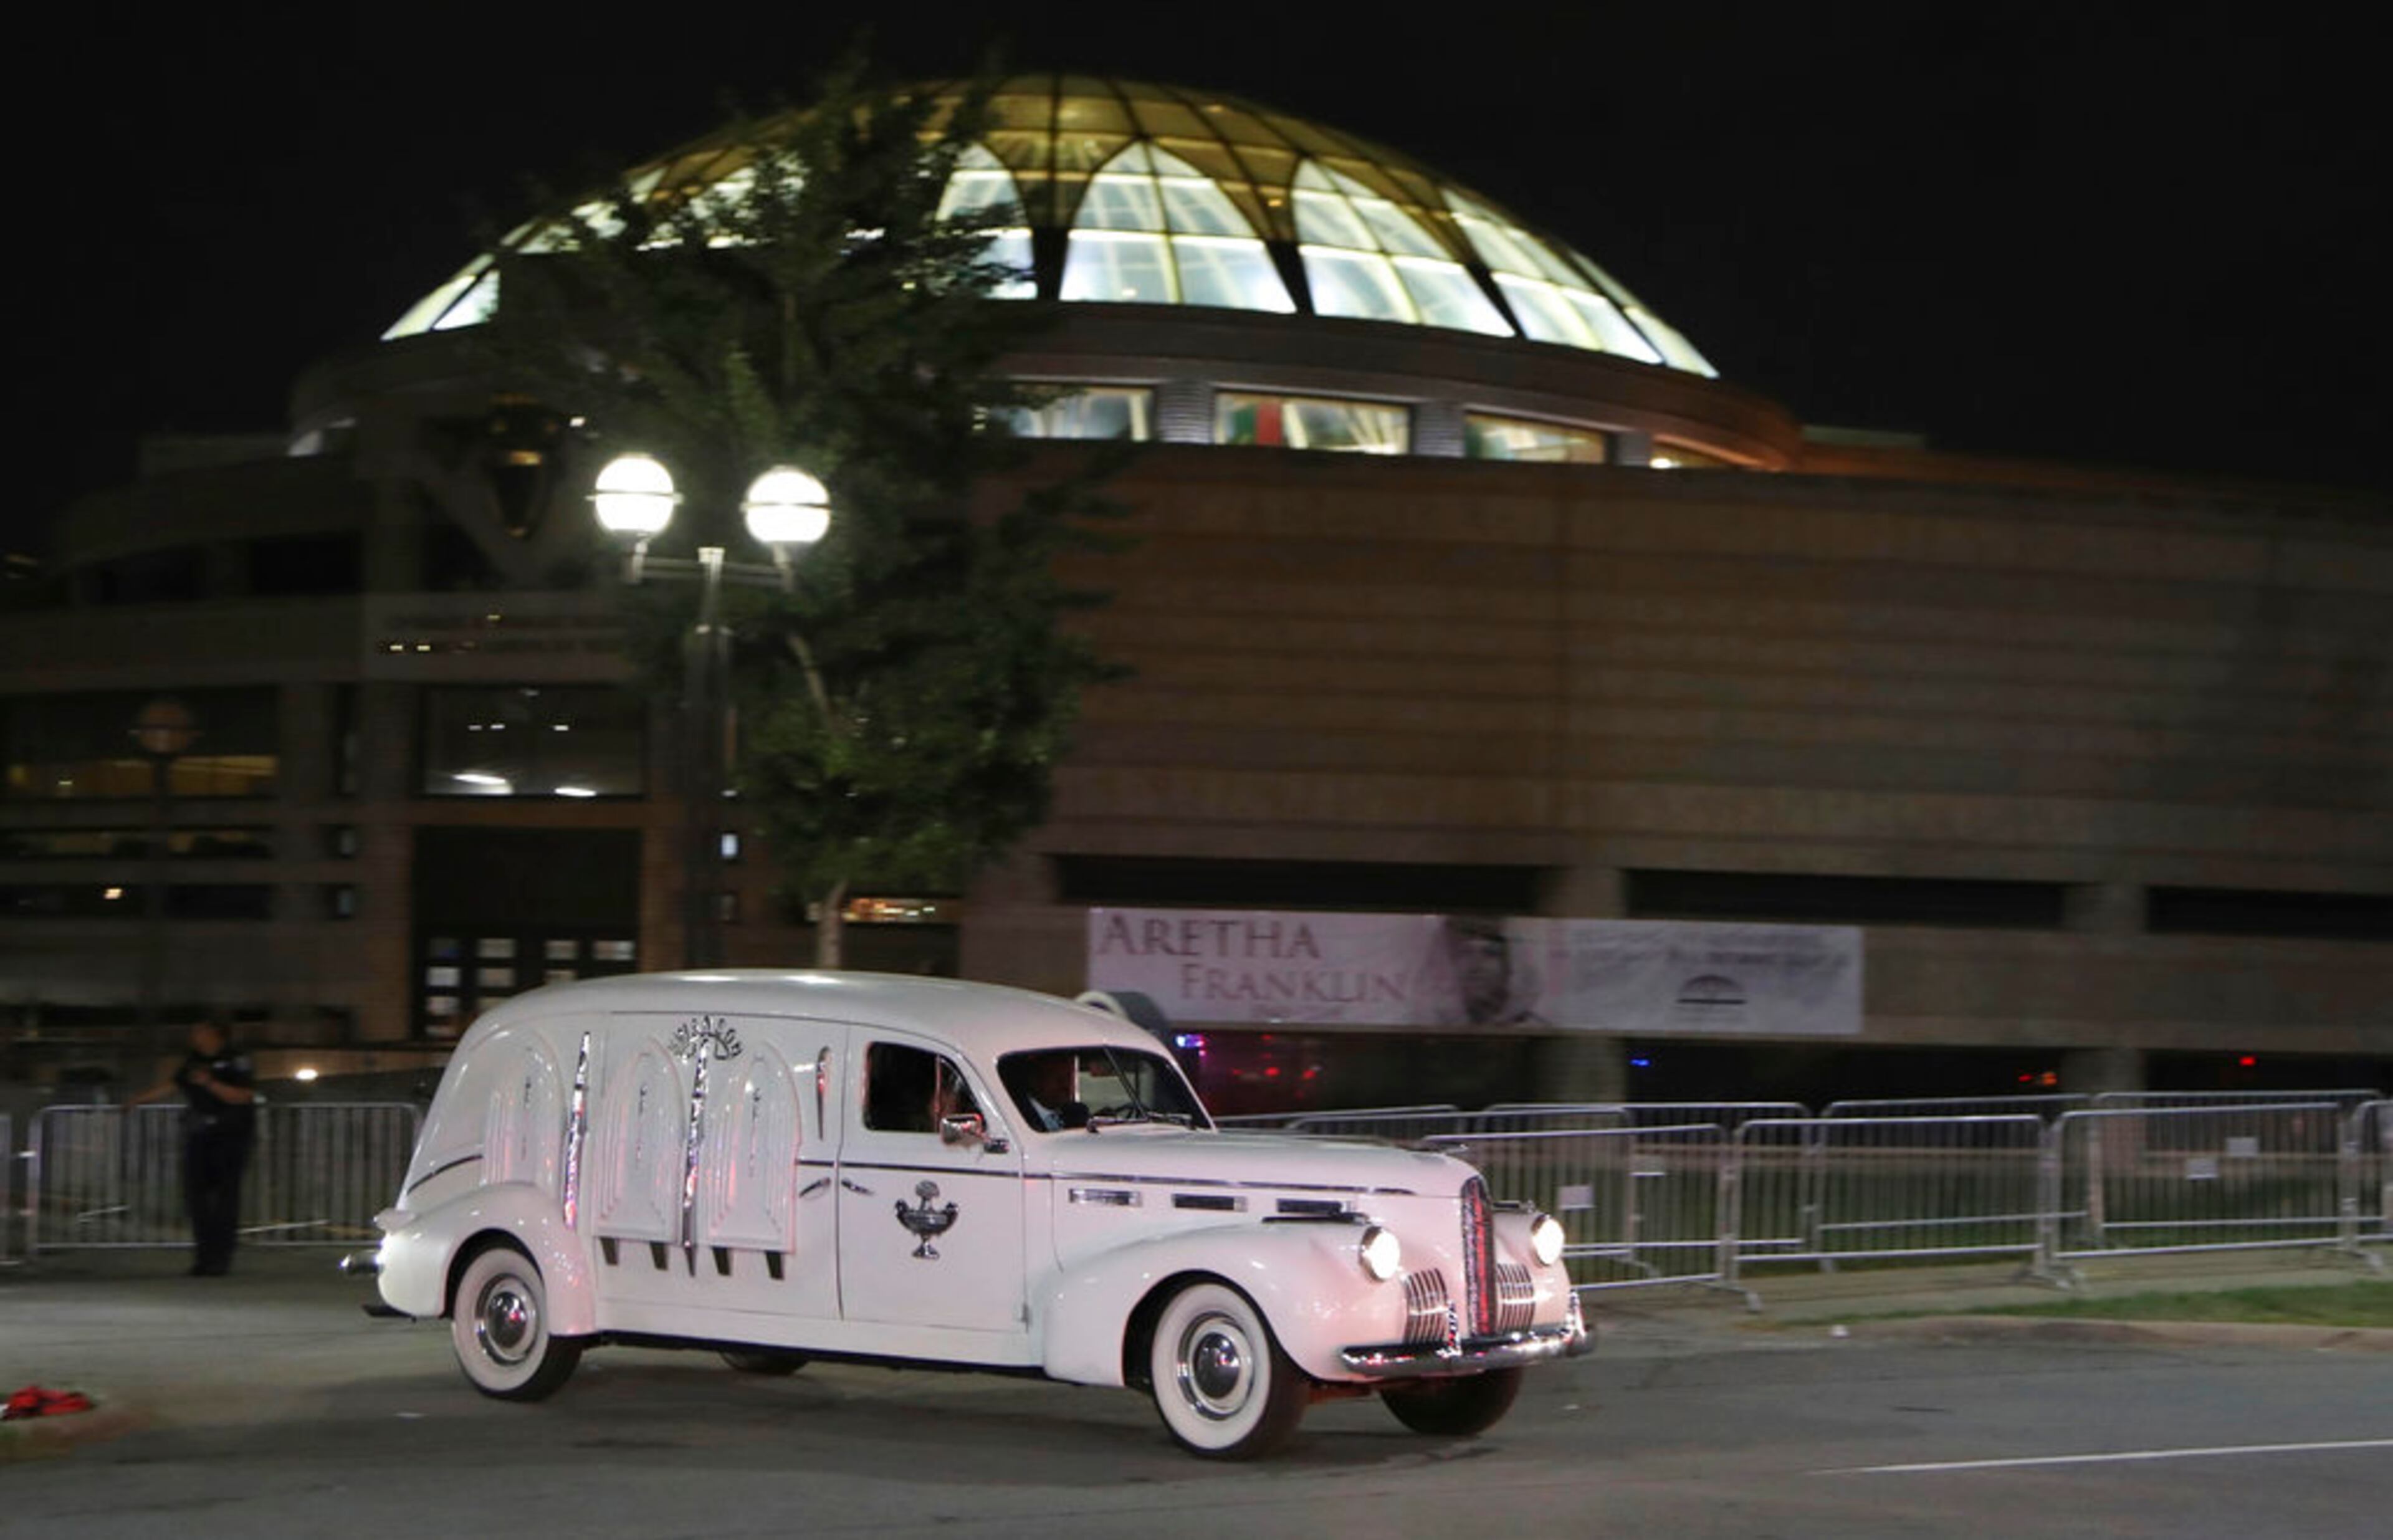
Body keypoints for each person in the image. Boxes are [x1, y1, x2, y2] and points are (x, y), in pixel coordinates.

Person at [135, 1021, 257, 1275]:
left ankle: (221, 1258)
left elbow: (243, 1096)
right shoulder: (194, 1060)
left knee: (225, 1199)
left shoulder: (236, 1059)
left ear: (215, 1034)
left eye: (200, 1032)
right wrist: (138, 1100)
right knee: (196, 1197)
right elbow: (174, 1084)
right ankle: (203, 1258)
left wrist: (210, 1083)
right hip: (200, 1134)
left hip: (230, 1135)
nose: (194, 1037)